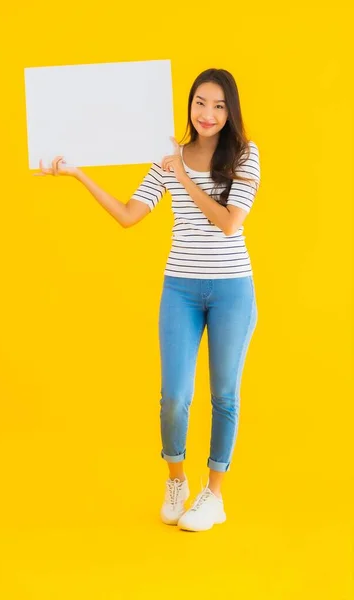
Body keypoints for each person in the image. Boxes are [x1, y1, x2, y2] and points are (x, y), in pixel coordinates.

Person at [37, 68, 260, 532]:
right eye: (201, 102)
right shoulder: (168, 158)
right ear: (189, 104)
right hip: (179, 287)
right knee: (174, 397)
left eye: (219, 105)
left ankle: (213, 495)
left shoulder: (245, 156)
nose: (208, 114)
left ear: (230, 110)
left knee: (224, 395)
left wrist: (183, 175)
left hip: (231, 288)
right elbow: (127, 215)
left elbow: (229, 223)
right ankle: (176, 482)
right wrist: (78, 173)